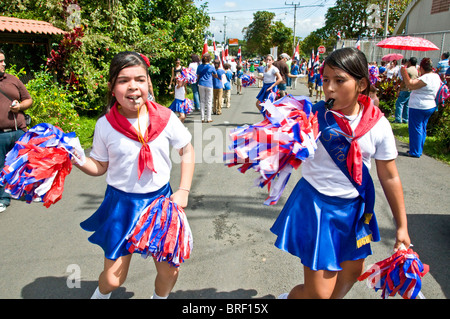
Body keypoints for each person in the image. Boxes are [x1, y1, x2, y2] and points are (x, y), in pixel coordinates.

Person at [271, 47, 411, 299]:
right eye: (325, 80)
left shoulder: (378, 124)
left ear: (361, 84)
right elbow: (280, 147)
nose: (329, 88)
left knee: (353, 273)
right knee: (318, 294)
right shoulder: (310, 117)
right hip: (316, 207)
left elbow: (389, 176)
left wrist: (402, 226)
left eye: (339, 80)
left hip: (355, 211)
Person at [74, 51, 195, 299]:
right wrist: (77, 158)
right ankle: (100, 294)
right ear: (112, 88)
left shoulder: (165, 117)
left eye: (140, 79)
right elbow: (99, 166)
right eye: (123, 80)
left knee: (170, 271)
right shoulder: (105, 125)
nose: (133, 87)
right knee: (112, 279)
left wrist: (183, 190)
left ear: (148, 83)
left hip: (160, 205)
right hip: (121, 205)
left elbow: (187, 149)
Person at [0, 48, 33, 213]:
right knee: (1, 168)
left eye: (4, 60)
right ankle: (3, 199)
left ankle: (30, 192)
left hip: (18, 130)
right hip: (0, 135)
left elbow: (28, 99)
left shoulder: (13, 80)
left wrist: (20, 106)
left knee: (25, 163)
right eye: (0, 61)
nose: (4, 64)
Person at [400, 57, 441, 158]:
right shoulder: (436, 76)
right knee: (422, 128)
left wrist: (404, 72)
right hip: (430, 105)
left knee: (415, 129)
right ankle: (419, 149)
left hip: (419, 106)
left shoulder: (426, 78)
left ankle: (415, 151)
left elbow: (410, 85)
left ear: (422, 68)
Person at [394, 57, 418, 124]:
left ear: (409, 62)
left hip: (404, 88)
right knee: (407, 105)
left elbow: (404, 81)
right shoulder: (416, 70)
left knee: (399, 103)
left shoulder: (407, 70)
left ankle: (398, 118)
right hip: (411, 89)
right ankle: (405, 119)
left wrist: (399, 89)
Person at [196, 53, 217, 123]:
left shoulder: (199, 67)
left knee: (202, 101)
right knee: (209, 101)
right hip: (209, 85)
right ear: (209, 59)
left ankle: (202, 118)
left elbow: (197, 76)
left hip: (201, 84)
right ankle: (208, 118)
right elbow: (215, 75)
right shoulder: (211, 67)